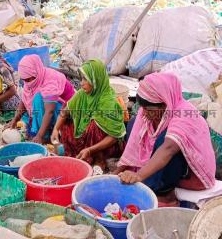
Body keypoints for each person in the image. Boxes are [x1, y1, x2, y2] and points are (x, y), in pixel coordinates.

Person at [117, 73, 216, 206]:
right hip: (161, 160)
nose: (144, 112)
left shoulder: (185, 115)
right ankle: (153, 180)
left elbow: (168, 149)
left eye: (148, 109)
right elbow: (134, 143)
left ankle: (165, 194)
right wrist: (118, 170)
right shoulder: (152, 110)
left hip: (191, 175)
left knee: (165, 140)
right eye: (143, 107)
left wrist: (139, 175)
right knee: (135, 122)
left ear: (165, 103)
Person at [51, 60, 126, 169]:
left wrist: (90, 150)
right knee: (67, 115)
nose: (81, 83)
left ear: (96, 80)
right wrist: (55, 129)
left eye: (86, 79)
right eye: (82, 79)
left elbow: (114, 137)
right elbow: (66, 110)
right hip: (85, 138)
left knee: (94, 125)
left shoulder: (108, 102)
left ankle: (98, 161)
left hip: (105, 146)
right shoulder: (83, 93)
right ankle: (78, 152)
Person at [9, 54, 75, 144]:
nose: (27, 83)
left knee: (38, 98)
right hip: (49, 109)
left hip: (67, 112)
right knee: (28, 112)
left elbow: (49, 111)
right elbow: (24, 101)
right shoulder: (31, 79)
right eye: (25, 80)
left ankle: (47, 135)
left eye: (29, 79)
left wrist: (40, 136)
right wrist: (15, 119)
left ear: (36, 71)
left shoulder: (50, 79)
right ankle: (41, 131)